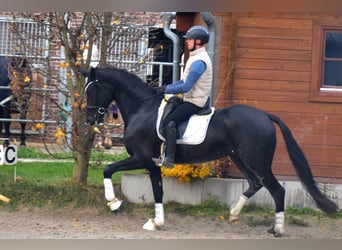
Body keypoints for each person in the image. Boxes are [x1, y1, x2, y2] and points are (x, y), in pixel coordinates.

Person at [152, 25, 213, 168]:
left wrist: (166, 89)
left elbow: (186, 87)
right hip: (190, 98)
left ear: (198, 41)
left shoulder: (199, 61)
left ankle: (170, 159)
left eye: (190, 39)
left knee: (170, 122)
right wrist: (166, 88)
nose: (187, 42)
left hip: (195, 102)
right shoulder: (195, 57)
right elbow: (182, 82)